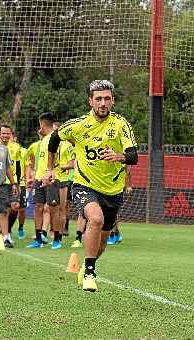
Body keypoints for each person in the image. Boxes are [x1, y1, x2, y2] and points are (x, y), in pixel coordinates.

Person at [47, 80, 138, 291]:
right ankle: (89, 272)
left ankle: (89, 263)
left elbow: (133, 156)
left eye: (107, 99)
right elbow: (54, 139)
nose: (103, 103)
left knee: (102, 244)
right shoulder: (77, 125)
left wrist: (119, 156)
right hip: (84, 184)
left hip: (113, 190)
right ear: (90, 101)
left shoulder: (120, 124)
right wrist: (50, 169)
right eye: (98, 99)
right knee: (95, 219)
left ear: (113, 101)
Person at [28, 112, 63, 250]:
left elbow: (55, 160)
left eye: (39, 124)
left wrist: (49, 174)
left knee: (54, 209)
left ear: (42, 124)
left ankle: (57, 238)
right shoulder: (43, 140)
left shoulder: (54, 139)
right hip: (39, 179)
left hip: (51, 179)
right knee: (38, 207)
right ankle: (38, 238)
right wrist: (35, 176)